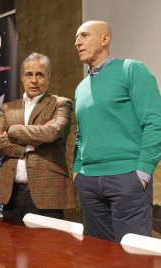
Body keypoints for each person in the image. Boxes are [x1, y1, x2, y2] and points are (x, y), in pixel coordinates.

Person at [73, 20, 161, 242]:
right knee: (100, 260)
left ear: (105, 39)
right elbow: (82, 134)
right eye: (76, 38)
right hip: (89, 182)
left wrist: (142, 173)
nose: (77, 42)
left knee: (134, 261)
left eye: (84, 35)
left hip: (127, 179)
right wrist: (77, 171)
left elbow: (154, 122)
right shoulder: (81, 87)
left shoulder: (131, 69)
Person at [0, 52, 75, 221]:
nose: (34, 80)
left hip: (47, 193)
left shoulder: (61, 103)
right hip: (11, 194)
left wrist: (12, 131)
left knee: (46, 246)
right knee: (12, 246)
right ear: (22, 78)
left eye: (39, 75)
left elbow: (52, 133)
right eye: (29, 74)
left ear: (48, 78)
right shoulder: (8, 108)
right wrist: (28, 145)